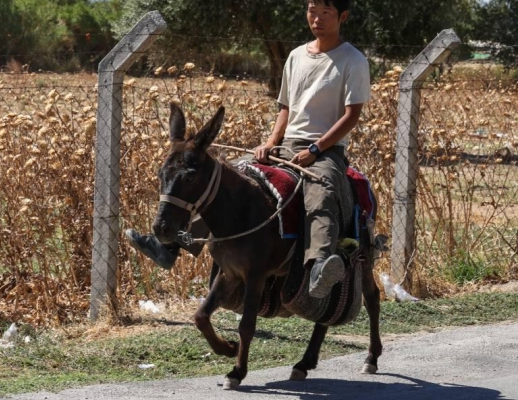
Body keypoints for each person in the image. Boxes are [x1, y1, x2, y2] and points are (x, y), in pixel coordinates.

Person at [126, 0, 370, 299]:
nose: (316, 19)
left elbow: (351, 115)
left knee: (321, 189)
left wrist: (316, 149)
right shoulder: (296, 56)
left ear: (342, 16)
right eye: (312, 11)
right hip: (285, 145)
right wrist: (270, 142)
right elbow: (285, 107)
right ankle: (171, 247)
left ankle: (318, 265)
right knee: (227, 180)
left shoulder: (353, 60)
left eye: (326, 13)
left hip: (326, 151)